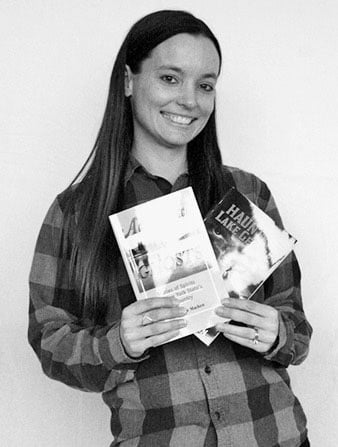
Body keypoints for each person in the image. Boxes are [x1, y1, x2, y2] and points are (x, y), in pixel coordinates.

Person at [28, 10, 312, 447]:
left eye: (205, 85)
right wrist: (117, 343)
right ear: (128, 81)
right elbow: (49, 340)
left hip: (274, 435)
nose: (189, 100)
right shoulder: (75, 213)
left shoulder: (247, 193)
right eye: (169, 78)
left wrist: (277, 333)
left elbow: (296, 328)